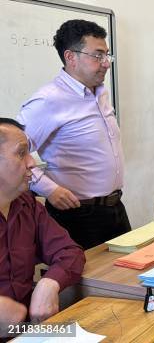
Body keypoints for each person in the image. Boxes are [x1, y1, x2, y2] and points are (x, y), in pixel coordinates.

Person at [17, 19, 130, 250]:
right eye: (98, 56)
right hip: (78, 214)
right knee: (89, 284)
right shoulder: (48, 100)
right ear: (70, 57)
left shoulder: (101, 94)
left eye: (107, 56)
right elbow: (9, 153)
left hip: (115, 207)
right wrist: (49, 189)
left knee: (130, 277)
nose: (106, 64)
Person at [0, 118, 85, 327]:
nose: (32, 163)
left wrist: (50, 282)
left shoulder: (28, 205)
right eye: (21, 153)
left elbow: (70, 251)